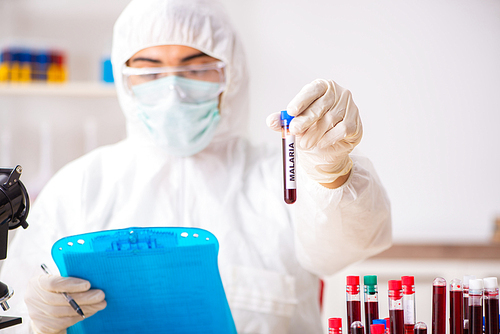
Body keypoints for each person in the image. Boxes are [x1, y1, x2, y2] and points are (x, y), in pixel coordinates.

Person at [0, 0, 392, 333]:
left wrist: (331, 172)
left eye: (195, 66)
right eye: (150, 70)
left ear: (230, 75)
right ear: (125, 81)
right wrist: (39, 318)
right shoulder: (83, 184)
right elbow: (21, 286)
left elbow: (350, 245)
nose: (172, 88)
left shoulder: (280, 174)